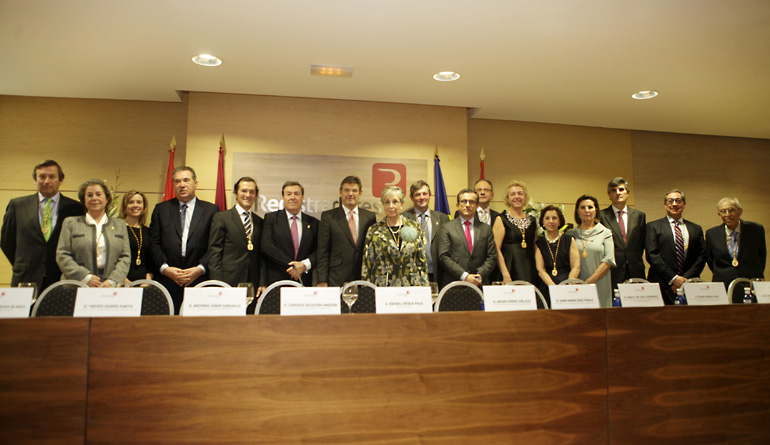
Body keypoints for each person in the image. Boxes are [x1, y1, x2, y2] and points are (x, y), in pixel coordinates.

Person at [2, 160, 83, 291]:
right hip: (25, 277)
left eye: (52, 177)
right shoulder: (17, 206)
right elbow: (6, 241)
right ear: (35, 180)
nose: (46, 181)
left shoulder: (75, 208)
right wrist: (22, 264)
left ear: (61, 180)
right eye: (42, 177)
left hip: (60, 277)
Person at [149, 166, 219, 313]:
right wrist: (165, 269)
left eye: (186, 180)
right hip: (167, 280)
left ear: (195, 183)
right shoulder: (161, 209)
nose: (182, 185)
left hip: (199, 279)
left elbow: (215, 245)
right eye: (177, 181)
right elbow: (153, 243)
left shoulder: (211, 210)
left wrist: (200, 269)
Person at [56, 179, 131, 287]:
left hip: (110, 287)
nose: (94, 198)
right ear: (84, 200)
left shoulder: (120, 225)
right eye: (89, 195)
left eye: (98, 194)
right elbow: (62, 255)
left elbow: (125, 257)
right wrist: (85, 277)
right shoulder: (71, 223)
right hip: (77, 285)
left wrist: (113, 280)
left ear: (107, 199)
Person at [208, 177, 267, 305]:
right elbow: (214, 252)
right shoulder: (222, 218)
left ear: (256, 195)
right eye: (244, 191)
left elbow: (261, 255)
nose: (248, 195)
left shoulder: (259, 221)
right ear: (235, 193)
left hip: (252, 284)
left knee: (250, 323)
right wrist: (217, 283)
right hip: (227, 281)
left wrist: (262, 282)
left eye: (252, 192)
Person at [645, 189, 706, 304]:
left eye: (678, 201)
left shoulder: (696, 229)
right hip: (661, 284)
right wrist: (673, 278)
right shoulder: (653, 227)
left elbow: (701, 256)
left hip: (689, 284)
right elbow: (652, 255)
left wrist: (683, 280)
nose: (674, 204)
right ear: (665, 205)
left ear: (684, 204)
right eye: (670, 201)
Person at [362, 186, 429, 286]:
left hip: (410, 286)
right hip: (383, 288)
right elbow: (367, 264)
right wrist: (366, 289)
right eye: (387, 202)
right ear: (383, 205)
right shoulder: (374, 231)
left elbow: (421, 261)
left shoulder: (414, 227)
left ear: (401, 204)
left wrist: (424, 287)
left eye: (395, 202)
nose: (391, 206)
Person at [317, 176, 376, 287]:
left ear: (360, 193)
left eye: (354, 190)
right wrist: (322, 280)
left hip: (363, 278)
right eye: (347, 190)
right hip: (336, 278)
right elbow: (322, 251)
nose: (350, 194)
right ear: (340, 192)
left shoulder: (370, 217)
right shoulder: (328, 217)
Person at [261, 181, 319, 286]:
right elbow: (267, 247)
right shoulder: (271, 219)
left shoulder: (314, 223)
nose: (293, 197)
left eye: (296, 194)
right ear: (283, 197)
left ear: (302, 197)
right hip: (277, 280)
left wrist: (304, 265)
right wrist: (294, 267)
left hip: (303, 281)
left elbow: (319, 250)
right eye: (289, 194)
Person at [436, 189, 496, 289]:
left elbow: (492, 256)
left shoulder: (486, 228)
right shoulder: (446, 227)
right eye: (464, 201)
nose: (467, 205)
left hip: (479, 283)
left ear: (477, 206)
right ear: (457, 205)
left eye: (471, 202)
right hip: (454, 283)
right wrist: (465, 276)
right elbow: (444, 256)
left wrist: (479, 275)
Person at [705, 197, 766, 297]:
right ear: (719, 214)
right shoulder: (711, 234)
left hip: (751, 283)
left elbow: (761, 256)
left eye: (731, 210)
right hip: (723, 285)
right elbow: (710, 260)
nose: (728, 215)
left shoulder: (756, 230)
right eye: (723, 211)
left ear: (740, 211)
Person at [566, 195, 615, 307]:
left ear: (596, 210)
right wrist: (577, 283)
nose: (587, 210)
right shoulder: (570, 234)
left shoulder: (605, 232)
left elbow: (608, 260)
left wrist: (589, 282)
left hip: (599, 283)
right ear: (578, 211)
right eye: (583, 207)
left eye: (590, 207)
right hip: (576, 286)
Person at [599, 177, 647, 288]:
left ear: (628, 193)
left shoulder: (639, 216)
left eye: (621, 190)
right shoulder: (601, 216)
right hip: (612, 269)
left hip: (635, 269)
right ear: (609, 194)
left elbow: (641, 243)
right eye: (614, 190)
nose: (618, 193)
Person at [402, 180, 449, 284]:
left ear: (430, 195)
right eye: (417, 194)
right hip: (412, 275)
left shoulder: (442, 218)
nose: (422, 197)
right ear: (411, 197)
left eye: (424, 194)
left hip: (437, 274)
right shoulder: (404, 218)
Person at [493, 180, 538, 284]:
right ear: (508, 199)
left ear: (525, 197)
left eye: (520, 194)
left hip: (530, 267)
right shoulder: (501, 219)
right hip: (510, 267)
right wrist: (505, 274)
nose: (517, 197)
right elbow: (496, 249)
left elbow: (535, 246)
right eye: (512, 194)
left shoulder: (532, 220)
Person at [535, 205, 580, 304]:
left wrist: (568, 285)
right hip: (547, 286)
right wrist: (554, 288)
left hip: (567, 285)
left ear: (560, 221)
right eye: (547, 218)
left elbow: (576, 267)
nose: (551, 221)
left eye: (554, 218)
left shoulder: (569, 239)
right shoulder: (539, 242)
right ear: (542, 222)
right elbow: (540, 270)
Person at [120, 190, 154, 284]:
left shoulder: (148, 231)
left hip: (144, 283)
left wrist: (147, 282)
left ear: (144, 206)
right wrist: (126, 283)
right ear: (125, 206)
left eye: (139, 202)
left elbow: (150, 260)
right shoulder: (118, 229)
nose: (135, 205)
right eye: (131, 202)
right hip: (121, 282)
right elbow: (113, 259)